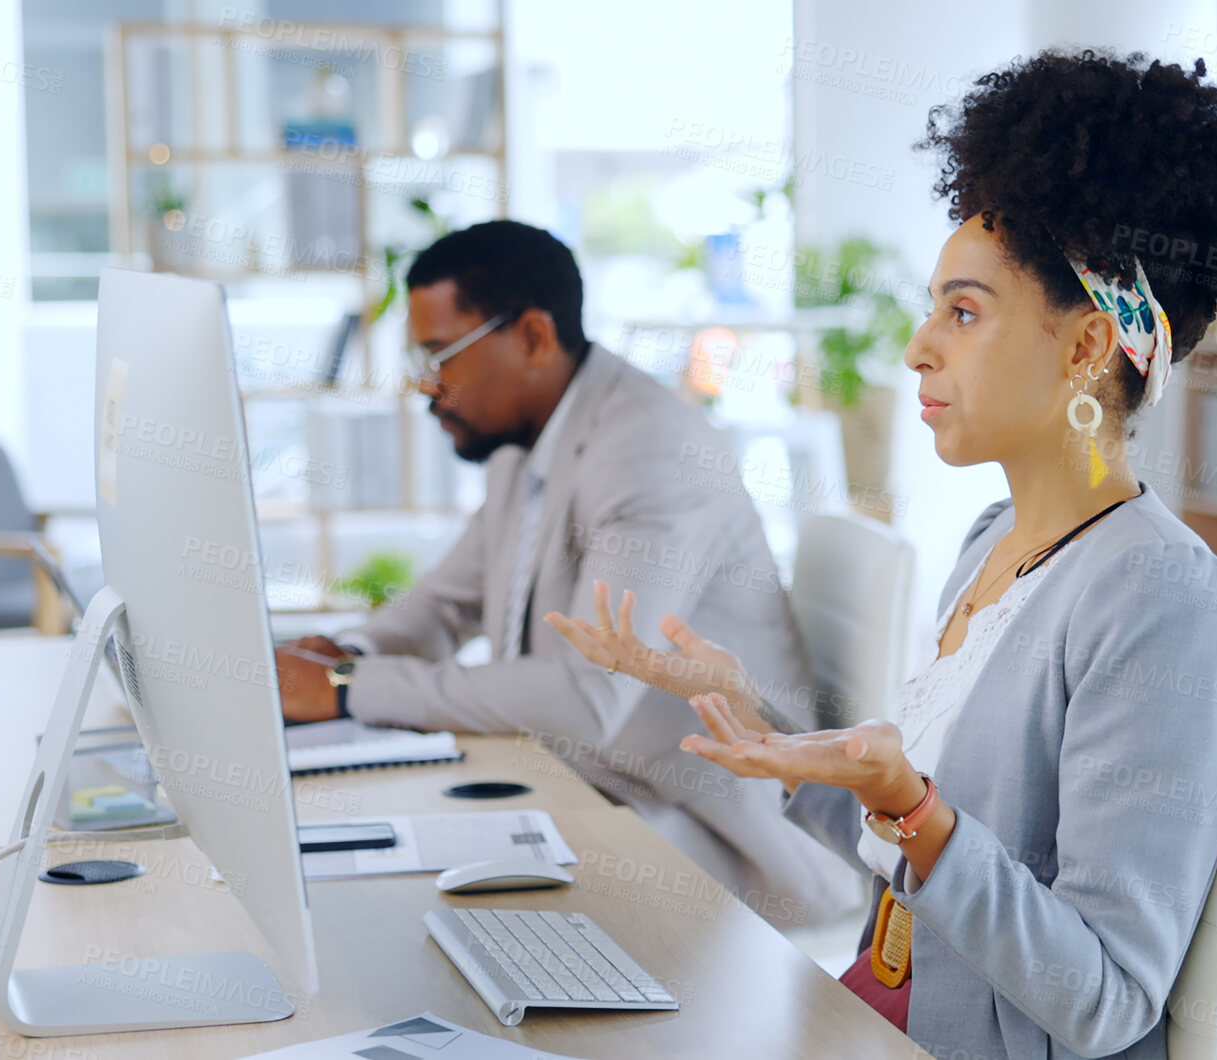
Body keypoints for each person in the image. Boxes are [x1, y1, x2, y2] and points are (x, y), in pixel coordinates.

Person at [547, 50, 1217, 1058]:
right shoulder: (990, 545)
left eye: (962, 311)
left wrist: (914, 805)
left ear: (1089, 343)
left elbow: (1104, 998)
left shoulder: (1161, 599)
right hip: (871, 1005)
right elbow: (898, 855)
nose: (917, 347)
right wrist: (753, 711)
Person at [275, 220, 856, 928]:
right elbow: (448, 602)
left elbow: (586, 696)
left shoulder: (648, 451)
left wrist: (344, 692)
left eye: (439, 355)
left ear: (531, 337)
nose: (426, 387)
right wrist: (345, 655)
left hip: (699, 827)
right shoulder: (529, 439)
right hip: (587, 785)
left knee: (391, 911)